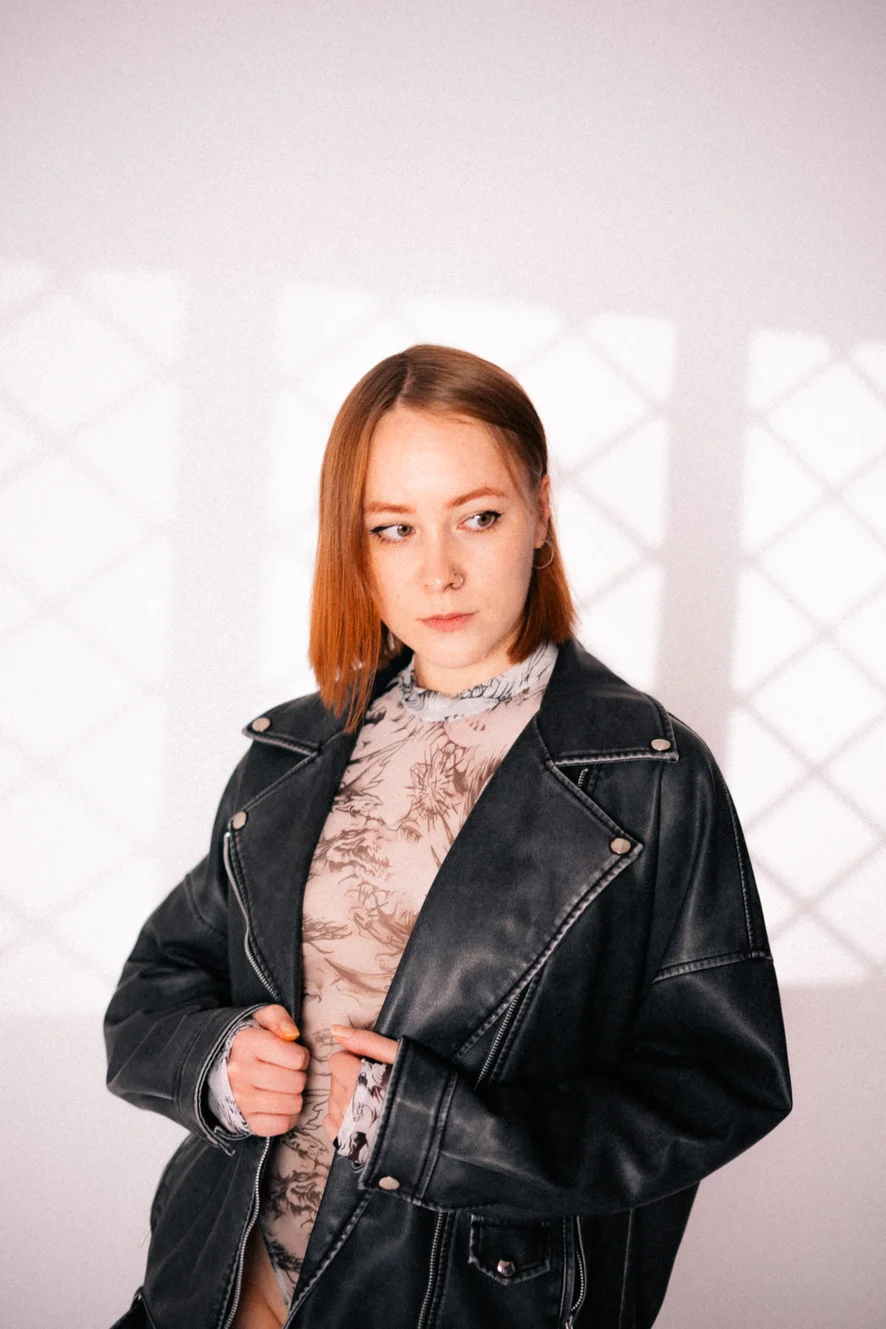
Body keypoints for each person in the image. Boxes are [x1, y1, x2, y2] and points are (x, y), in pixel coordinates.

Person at [105, 343, 792, 1329]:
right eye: (394, 528)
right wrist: (217, 1062)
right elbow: (152, 991)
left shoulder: (649, 776)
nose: (438, 569)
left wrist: (439, 1133)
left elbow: (723, 1082)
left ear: (540, 511)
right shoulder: (292, 753)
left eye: (478, 516)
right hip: (217, 1291)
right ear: (358, 546)